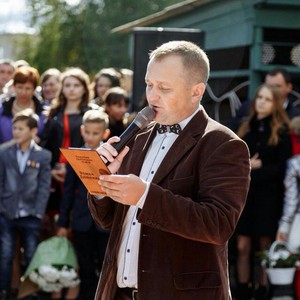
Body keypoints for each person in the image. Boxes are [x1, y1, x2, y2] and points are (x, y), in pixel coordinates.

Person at [87, 40, 250, 300]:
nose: (152, 96)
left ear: (197, 91)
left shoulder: (223, 144)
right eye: (149, 84)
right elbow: (108, 220)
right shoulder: (139, 135)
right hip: (117, 292)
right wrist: (103, 184)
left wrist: (144, 196)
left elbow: (218, 224)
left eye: (164, 88)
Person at [235, 84, 292, 299]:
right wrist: (248, 166)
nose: (261, 102)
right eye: (259, 97)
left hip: (268, 197)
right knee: (242, 245)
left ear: (275, 103)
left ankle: (261, 290)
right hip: (246, 196)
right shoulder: (245, 127)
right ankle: (242, 289)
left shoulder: (281, 132)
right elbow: (235, 162)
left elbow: (282, 168)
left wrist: (255, 169)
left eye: (267, 99)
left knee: (264, 246)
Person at [56, 109, 110, 300]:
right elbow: (68, 192)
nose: (90, 136)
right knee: (85, 266)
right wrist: (63, 223)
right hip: (81, 221)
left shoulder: (113, 155)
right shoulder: (75, 156)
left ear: (105, 133)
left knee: (105, 264)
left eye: (96, 133)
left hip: (105, 224)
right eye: (87, 132)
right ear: (81, 130)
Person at [0, 108, 52, 300]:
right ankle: (4, 291)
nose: (16, 132)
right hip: (8, 212)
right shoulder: (4, 152)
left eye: (21, 128)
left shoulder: (43, 156)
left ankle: (32, 293)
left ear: (33, 131)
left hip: (31, 213)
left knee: (31, 254)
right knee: (5, 255)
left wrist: (38, 212)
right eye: (15, 128)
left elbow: (44, 186)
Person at [229, 68, 300, 132]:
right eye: (268, 86)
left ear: (289, 87)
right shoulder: (247, 108)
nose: (271, 90)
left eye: (277, 86)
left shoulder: (295, 116)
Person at [0, 66, 45, 145]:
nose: (23, 92)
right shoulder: (2, 110)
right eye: (20, 87)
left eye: (28, 88)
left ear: (34, 89)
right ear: (14, 87)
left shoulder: (44, 113)